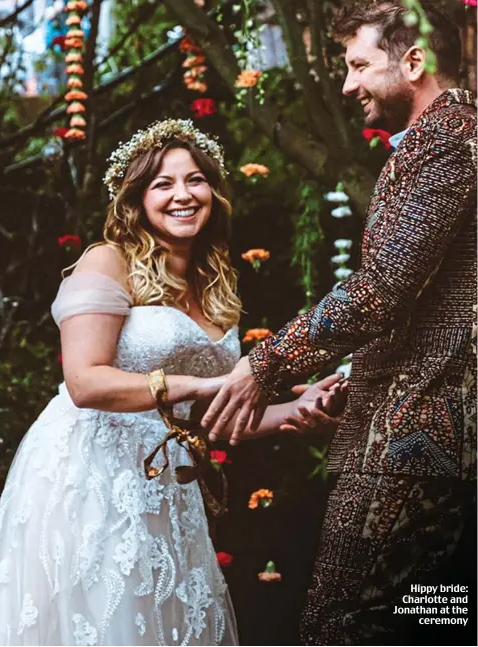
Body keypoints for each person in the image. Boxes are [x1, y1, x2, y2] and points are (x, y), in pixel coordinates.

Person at [0, 119, 345, 646]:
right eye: (163, 184)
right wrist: (197, 387)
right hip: (89, 474)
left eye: (194, 180)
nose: (183, 195)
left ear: (213, 192)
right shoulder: (109, 261)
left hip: (168, 483)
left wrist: (297, 410)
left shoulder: (215, 285)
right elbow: (86, 381)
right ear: (137, 199)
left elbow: (214, 416)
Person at [201, 2, 477, 644]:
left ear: (412, 62)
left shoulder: (442, 140)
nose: (348, 85)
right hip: (434, 433)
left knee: (346, 624)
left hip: (413, 444)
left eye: (358, 65)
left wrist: (265, 365)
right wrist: (354, 376)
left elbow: (381, 290)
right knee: (427, 624)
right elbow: (443, 301)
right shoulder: (455, 135)